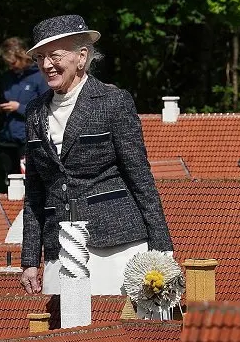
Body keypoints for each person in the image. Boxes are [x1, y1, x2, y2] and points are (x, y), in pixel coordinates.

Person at [19, 15, 173, 297]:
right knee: (64, 334)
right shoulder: (34, 112)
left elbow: (139, 176)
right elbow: (34, 191)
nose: (46, 65)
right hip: (59, 244)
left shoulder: (114, 102)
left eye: (54, 55)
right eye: (40, 57)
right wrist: (30, 260)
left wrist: (162, 247)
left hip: (116, 245)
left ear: (81, 57)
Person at [0, 37, 49, 177]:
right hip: (7, 137)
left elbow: (46, 109)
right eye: (8, 63)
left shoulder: (39, 76)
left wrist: (19, 108)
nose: (11, 66)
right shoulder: (7, 78)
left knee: (27, 179)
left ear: (22, 57)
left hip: (28, 138)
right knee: (10, 181)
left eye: (13, 62)